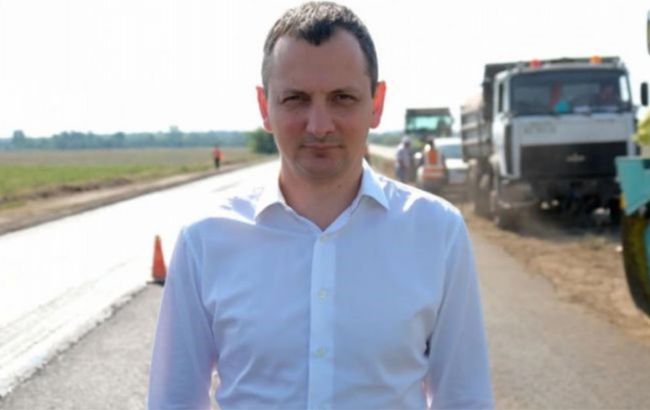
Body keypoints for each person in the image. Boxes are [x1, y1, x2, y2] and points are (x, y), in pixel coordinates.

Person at [148, 2, 494, 409]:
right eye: (295, 99)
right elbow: (174, 401)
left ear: (376, 103)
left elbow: (464, 397)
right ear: (264, 107)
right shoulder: (205, 240)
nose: (319, 125)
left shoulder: (437, 231)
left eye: (342, 98)